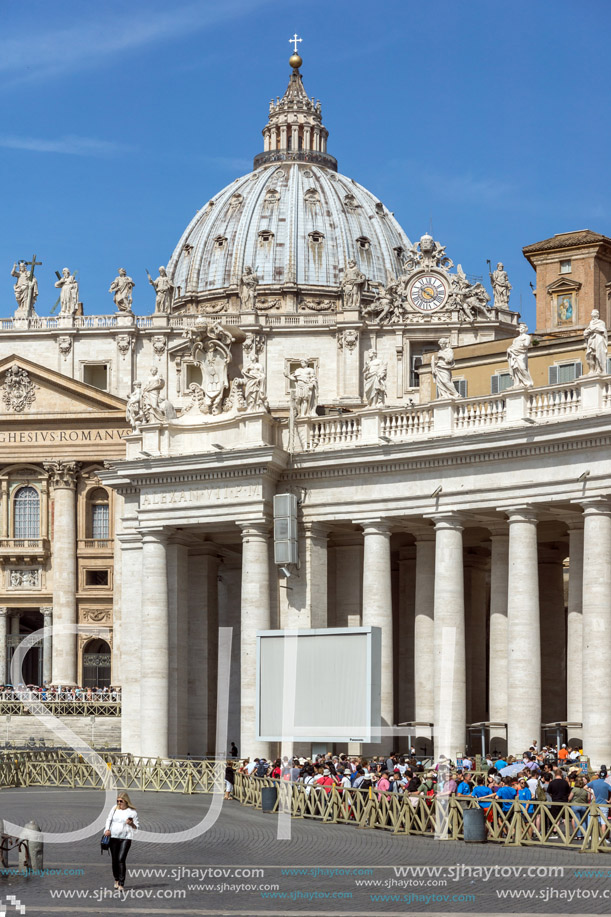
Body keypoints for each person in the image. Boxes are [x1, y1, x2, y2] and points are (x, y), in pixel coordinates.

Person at [103, 791, 139, 891]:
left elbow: (136, 827)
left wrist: (131, 824)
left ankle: (121, 883)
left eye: (121, 801)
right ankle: (116, 879)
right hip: (113, 837)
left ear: (126, 801)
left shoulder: (132, 812)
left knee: (121, 859)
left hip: (126, 838)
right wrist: (107, 829)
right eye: (118, 801)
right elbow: (108, 819)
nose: (119, 803)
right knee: (114, 860)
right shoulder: (114, 809)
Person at [587, 770, 611, 843]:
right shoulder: (607, 783)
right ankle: (603, 839)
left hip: (595, 804)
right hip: (604, 804)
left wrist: (592, 793)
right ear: (606, 776)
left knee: (595, 820)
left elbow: (585, 787)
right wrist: (610, 800)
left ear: (599, 775)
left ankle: (594, 836)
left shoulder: (594, 782)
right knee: (604, 822)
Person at [568, 775, 591, 840]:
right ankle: (584, 834)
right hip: (583, 806)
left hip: (575, 806)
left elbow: (569, 798)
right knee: (583, 820)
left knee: (577, 820)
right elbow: (588, 798)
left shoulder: (574, 789)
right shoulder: (585, 790)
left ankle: (579, 835)